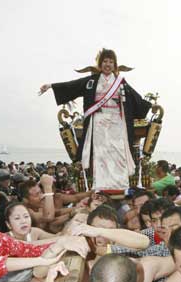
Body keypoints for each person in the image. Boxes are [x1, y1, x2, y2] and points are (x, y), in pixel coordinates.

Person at [39, 48, 152, 190]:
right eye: (105, 61)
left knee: (118, 152)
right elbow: (73, 85)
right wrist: (51, 86)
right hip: (99, 121)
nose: (108, 64)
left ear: (115, 65)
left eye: (111, 62)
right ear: (100, 63)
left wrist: (149, 106)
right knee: (101, 154)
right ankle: (101, 186)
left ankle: (121, 185)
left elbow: (136, 98)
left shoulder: (120, 82)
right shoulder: (92, 81)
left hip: (117, 122)